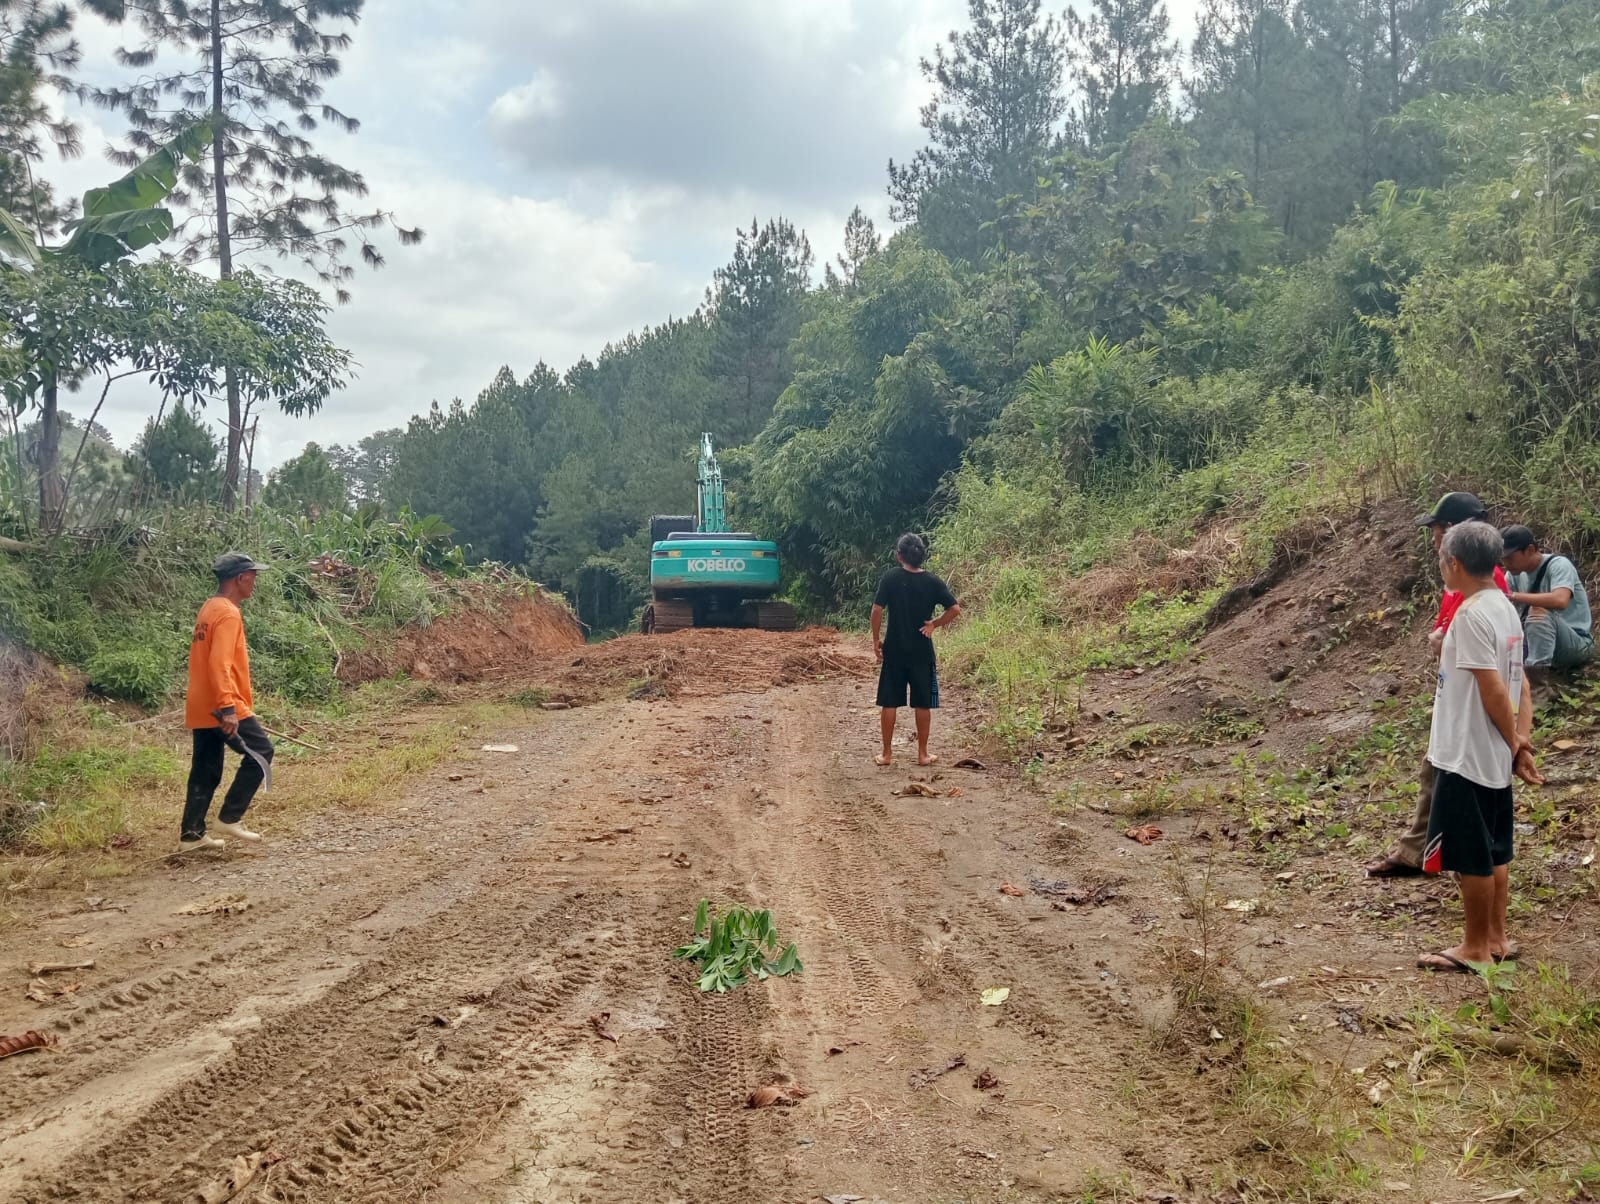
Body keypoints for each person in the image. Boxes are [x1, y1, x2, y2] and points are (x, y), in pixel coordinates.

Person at [1417, 522, 1542, 973]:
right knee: (1495, 849)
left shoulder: (1470, 615)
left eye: (1440, 559)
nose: (1440, 566)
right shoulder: (1504, 607)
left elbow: (1492, 689)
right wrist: (1519, 743)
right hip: (1493, 753)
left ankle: (1474, 948)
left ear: (1454, 563)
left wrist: (1513, 740)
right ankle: (1497, 938)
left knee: (1472, 855)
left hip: (1465, 753)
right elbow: (1520, 684)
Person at [1366, 492, 1510, 879]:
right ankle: (1423, 850)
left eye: (1437, 530)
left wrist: (1515, 738)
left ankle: (1437, 856)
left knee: (1448, 779)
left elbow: (1490, 666)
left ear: (1455, 532)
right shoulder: (1475, 582)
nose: (1434, 540)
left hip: (1470, 704)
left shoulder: (1484, 585)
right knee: (1436, 773)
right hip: (1460, 695)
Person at [180, 552, 274, 852]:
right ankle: (230, 818)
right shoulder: (229, 613)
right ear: (241, 578)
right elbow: (219, 664)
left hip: (201, 702)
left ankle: (191, 835)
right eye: (253, 576)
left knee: (206, 769)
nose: (255, 582)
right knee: (261, 751)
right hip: (223, 704)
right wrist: (229, 708)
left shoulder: (210, 608)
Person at [872, 533, 961, 768]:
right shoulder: (932, 581)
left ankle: (886, 754)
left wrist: (875, 641)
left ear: (898, 555)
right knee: (923, 703)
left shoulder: (890, 578)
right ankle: (922, 754)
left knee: (889, 702)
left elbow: (877, 611)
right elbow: (954, 609)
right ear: (922, 555)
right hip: (922, 652)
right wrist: (934, 625)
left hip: (894, 650)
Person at [1502, 524, 1594, 686]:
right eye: (1503, 559)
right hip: (1533, 642)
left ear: (1530, 550)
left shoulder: (1559, 565)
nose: (1506, 563)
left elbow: (1560, 600)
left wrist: (1515, 596)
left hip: (1573, 643)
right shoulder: (1512, 576)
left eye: (1510, 558)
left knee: (1538, 613)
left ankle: (1538, 686)